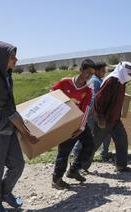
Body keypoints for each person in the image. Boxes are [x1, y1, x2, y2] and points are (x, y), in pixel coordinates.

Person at [0, 41, 38, 212]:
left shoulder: (6, 75)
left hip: (7, 129)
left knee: (18, 165)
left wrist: (25, 129)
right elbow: (9, 113)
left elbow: (11, 109)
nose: (16, 60)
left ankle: (5, 193)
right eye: (12, 58)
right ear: (1, 59)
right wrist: (27, 135)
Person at [82, 61, 131, 172]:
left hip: (115, 119)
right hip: (105, 119)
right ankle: (80, 167)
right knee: (94, 144)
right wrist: (101, 118)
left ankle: (121, 166)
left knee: (122, 140)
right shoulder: (112, 81)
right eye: (130, 74)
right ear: (124, 71)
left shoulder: (121, 81)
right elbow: (98, 99)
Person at [50, 59, 95, 189]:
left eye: (91, 74)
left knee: (89, 145)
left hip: (79, 122)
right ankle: (56, 179)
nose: (89, 76)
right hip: (65, 122)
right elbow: (51, 93)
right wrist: (66, 101)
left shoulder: (87, 90)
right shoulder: (65, 82)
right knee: (64, 151)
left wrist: (81, 128)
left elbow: (86, 109)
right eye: (87, 72)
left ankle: (74, 170)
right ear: (80, 70)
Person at [72, 62, 112, 162]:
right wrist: (96, 114)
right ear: (97, 71)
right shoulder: (95, 81)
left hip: (94, 112)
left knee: (99, 133)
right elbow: (94, 98)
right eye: (103, 71)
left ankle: (103, 153)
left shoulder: (98, 80)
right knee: (87, 134)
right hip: (92, 113)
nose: (104, 73)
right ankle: (76, 153)